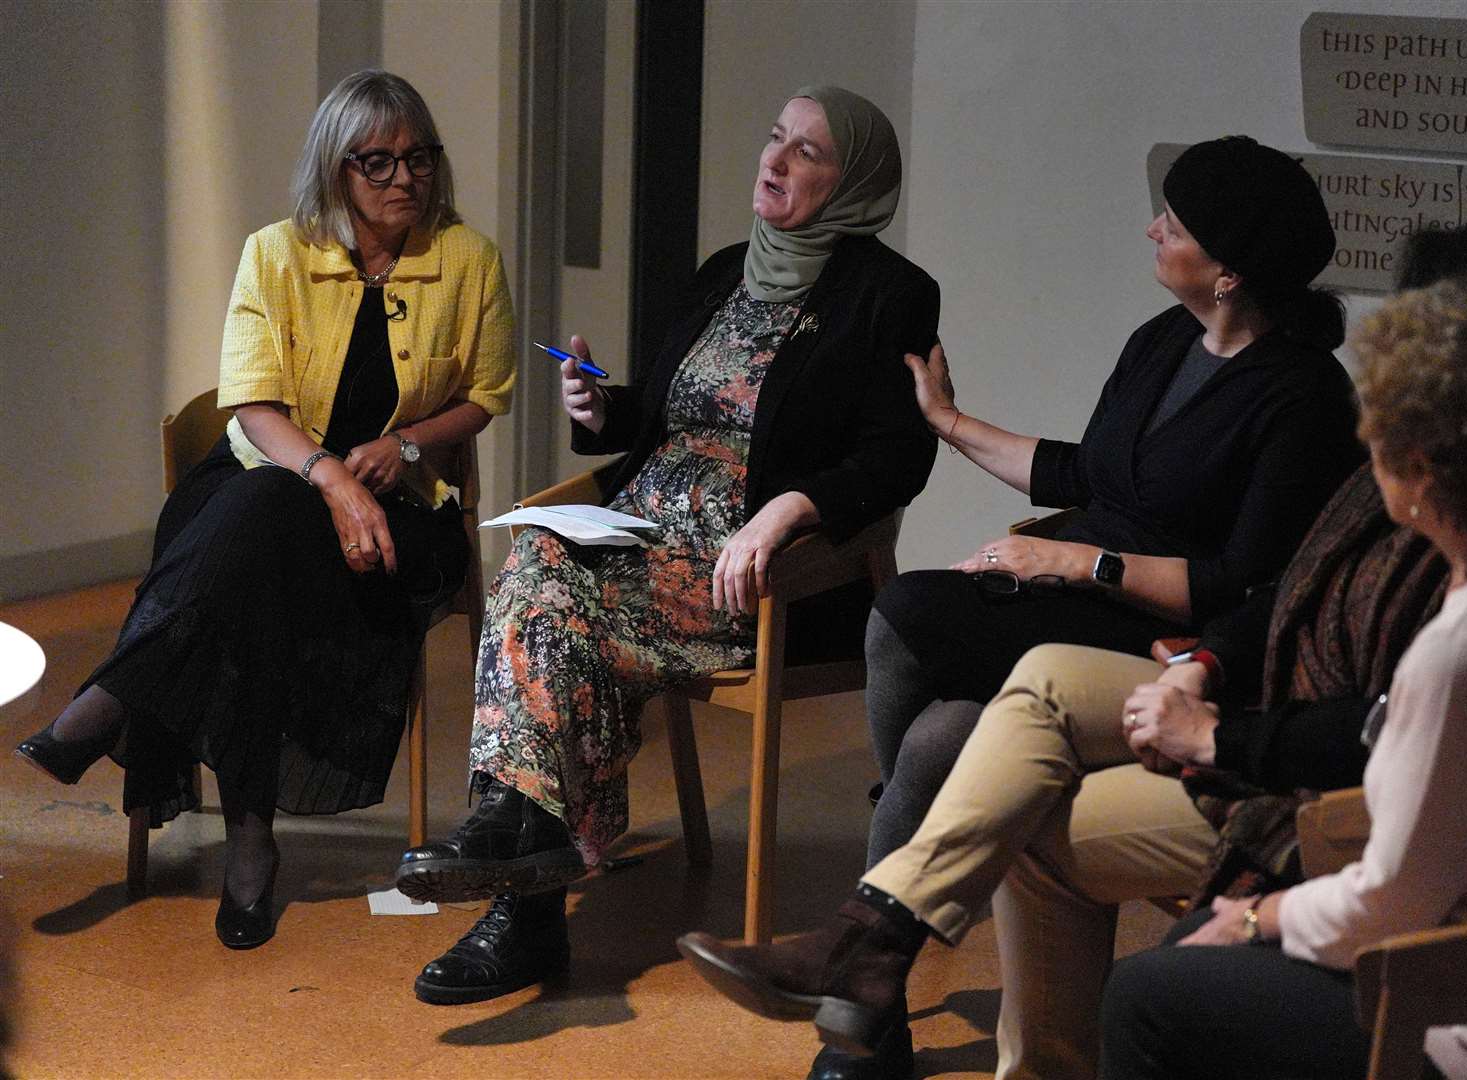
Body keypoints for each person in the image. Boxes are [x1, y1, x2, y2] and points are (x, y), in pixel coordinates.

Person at [676, 217, 1467, 1079]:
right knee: (987, 668)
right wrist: (1202, 668)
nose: (1380, 409)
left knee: (983, 767)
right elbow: (1279, 591)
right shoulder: (1184, 355)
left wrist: (1215, 743)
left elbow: (1377, 768)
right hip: (1240, 697)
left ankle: (872, 966)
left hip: (1312, 791)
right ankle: (869, 949)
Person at [392, 86, 941, 1008]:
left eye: (807, 152)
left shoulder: (890, 296)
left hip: (759, 568)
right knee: (539, 570)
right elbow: (669, 413)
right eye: (775, 136)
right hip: (642, 534)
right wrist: (605, 408)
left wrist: (788, 511)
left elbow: (896, 455)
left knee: (548, 598)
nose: (774, 160)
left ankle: (516, 876)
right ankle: (523, 855)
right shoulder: (726, 268)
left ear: (857, 183)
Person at [835, 134, 1365, 1078]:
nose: (1153, 228)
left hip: (1164, 634)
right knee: (935, 733)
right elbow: (1091, 470)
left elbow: (1240, 582)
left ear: (1232, 272)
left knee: (911, 613)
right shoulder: (1162, 341)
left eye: (1176, 221)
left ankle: (860, 1002)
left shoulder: (1305, 396)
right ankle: (867, 1005)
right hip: (1080, 588)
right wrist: (948, 422)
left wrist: (1078, 563)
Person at [12, 71, 515, 950]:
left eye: (420, 158)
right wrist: (334, 476)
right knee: (265, 518)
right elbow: (251, 405)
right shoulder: (275, 252)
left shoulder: (468, 260)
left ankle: (121, 699)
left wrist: (401, 448)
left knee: (255, 543)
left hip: (402, 512)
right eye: (379, 162)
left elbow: (488, 393)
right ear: (335, 169)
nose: (406, 178)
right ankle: (248, 835)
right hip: (270, 485)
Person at [1099, 277, 1467, 1079]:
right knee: (1189, 957)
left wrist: (1255, 917)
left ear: (1414, 469)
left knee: (1147, 995)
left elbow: (1391, 904)